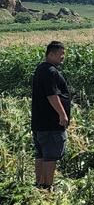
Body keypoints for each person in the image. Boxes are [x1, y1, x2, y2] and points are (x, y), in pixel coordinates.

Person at [31, 40, 70, 190]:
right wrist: (62, 114)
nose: (63, 57)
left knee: (41, 153)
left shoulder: (41, 69)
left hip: (40, 121)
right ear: (51, 54)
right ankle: (47, 187)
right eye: (61, 54)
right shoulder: (50, 72)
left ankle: (40, 185)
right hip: (50, 122)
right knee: (50, 156)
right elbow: (52, 95)